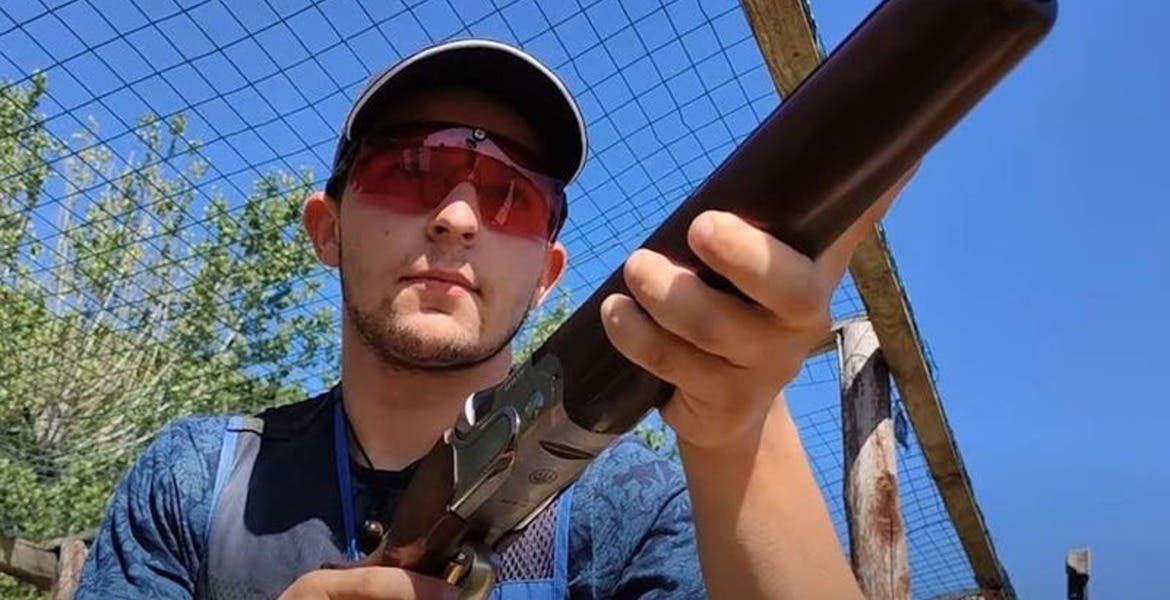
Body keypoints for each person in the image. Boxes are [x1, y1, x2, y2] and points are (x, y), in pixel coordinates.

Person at [75, 38, 906, 600]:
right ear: (327, 230)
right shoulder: (197, 482)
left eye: (513, 195)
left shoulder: (631, 506)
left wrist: (739, 431)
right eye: (412, 169)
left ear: (547, 278)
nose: (459, 217)